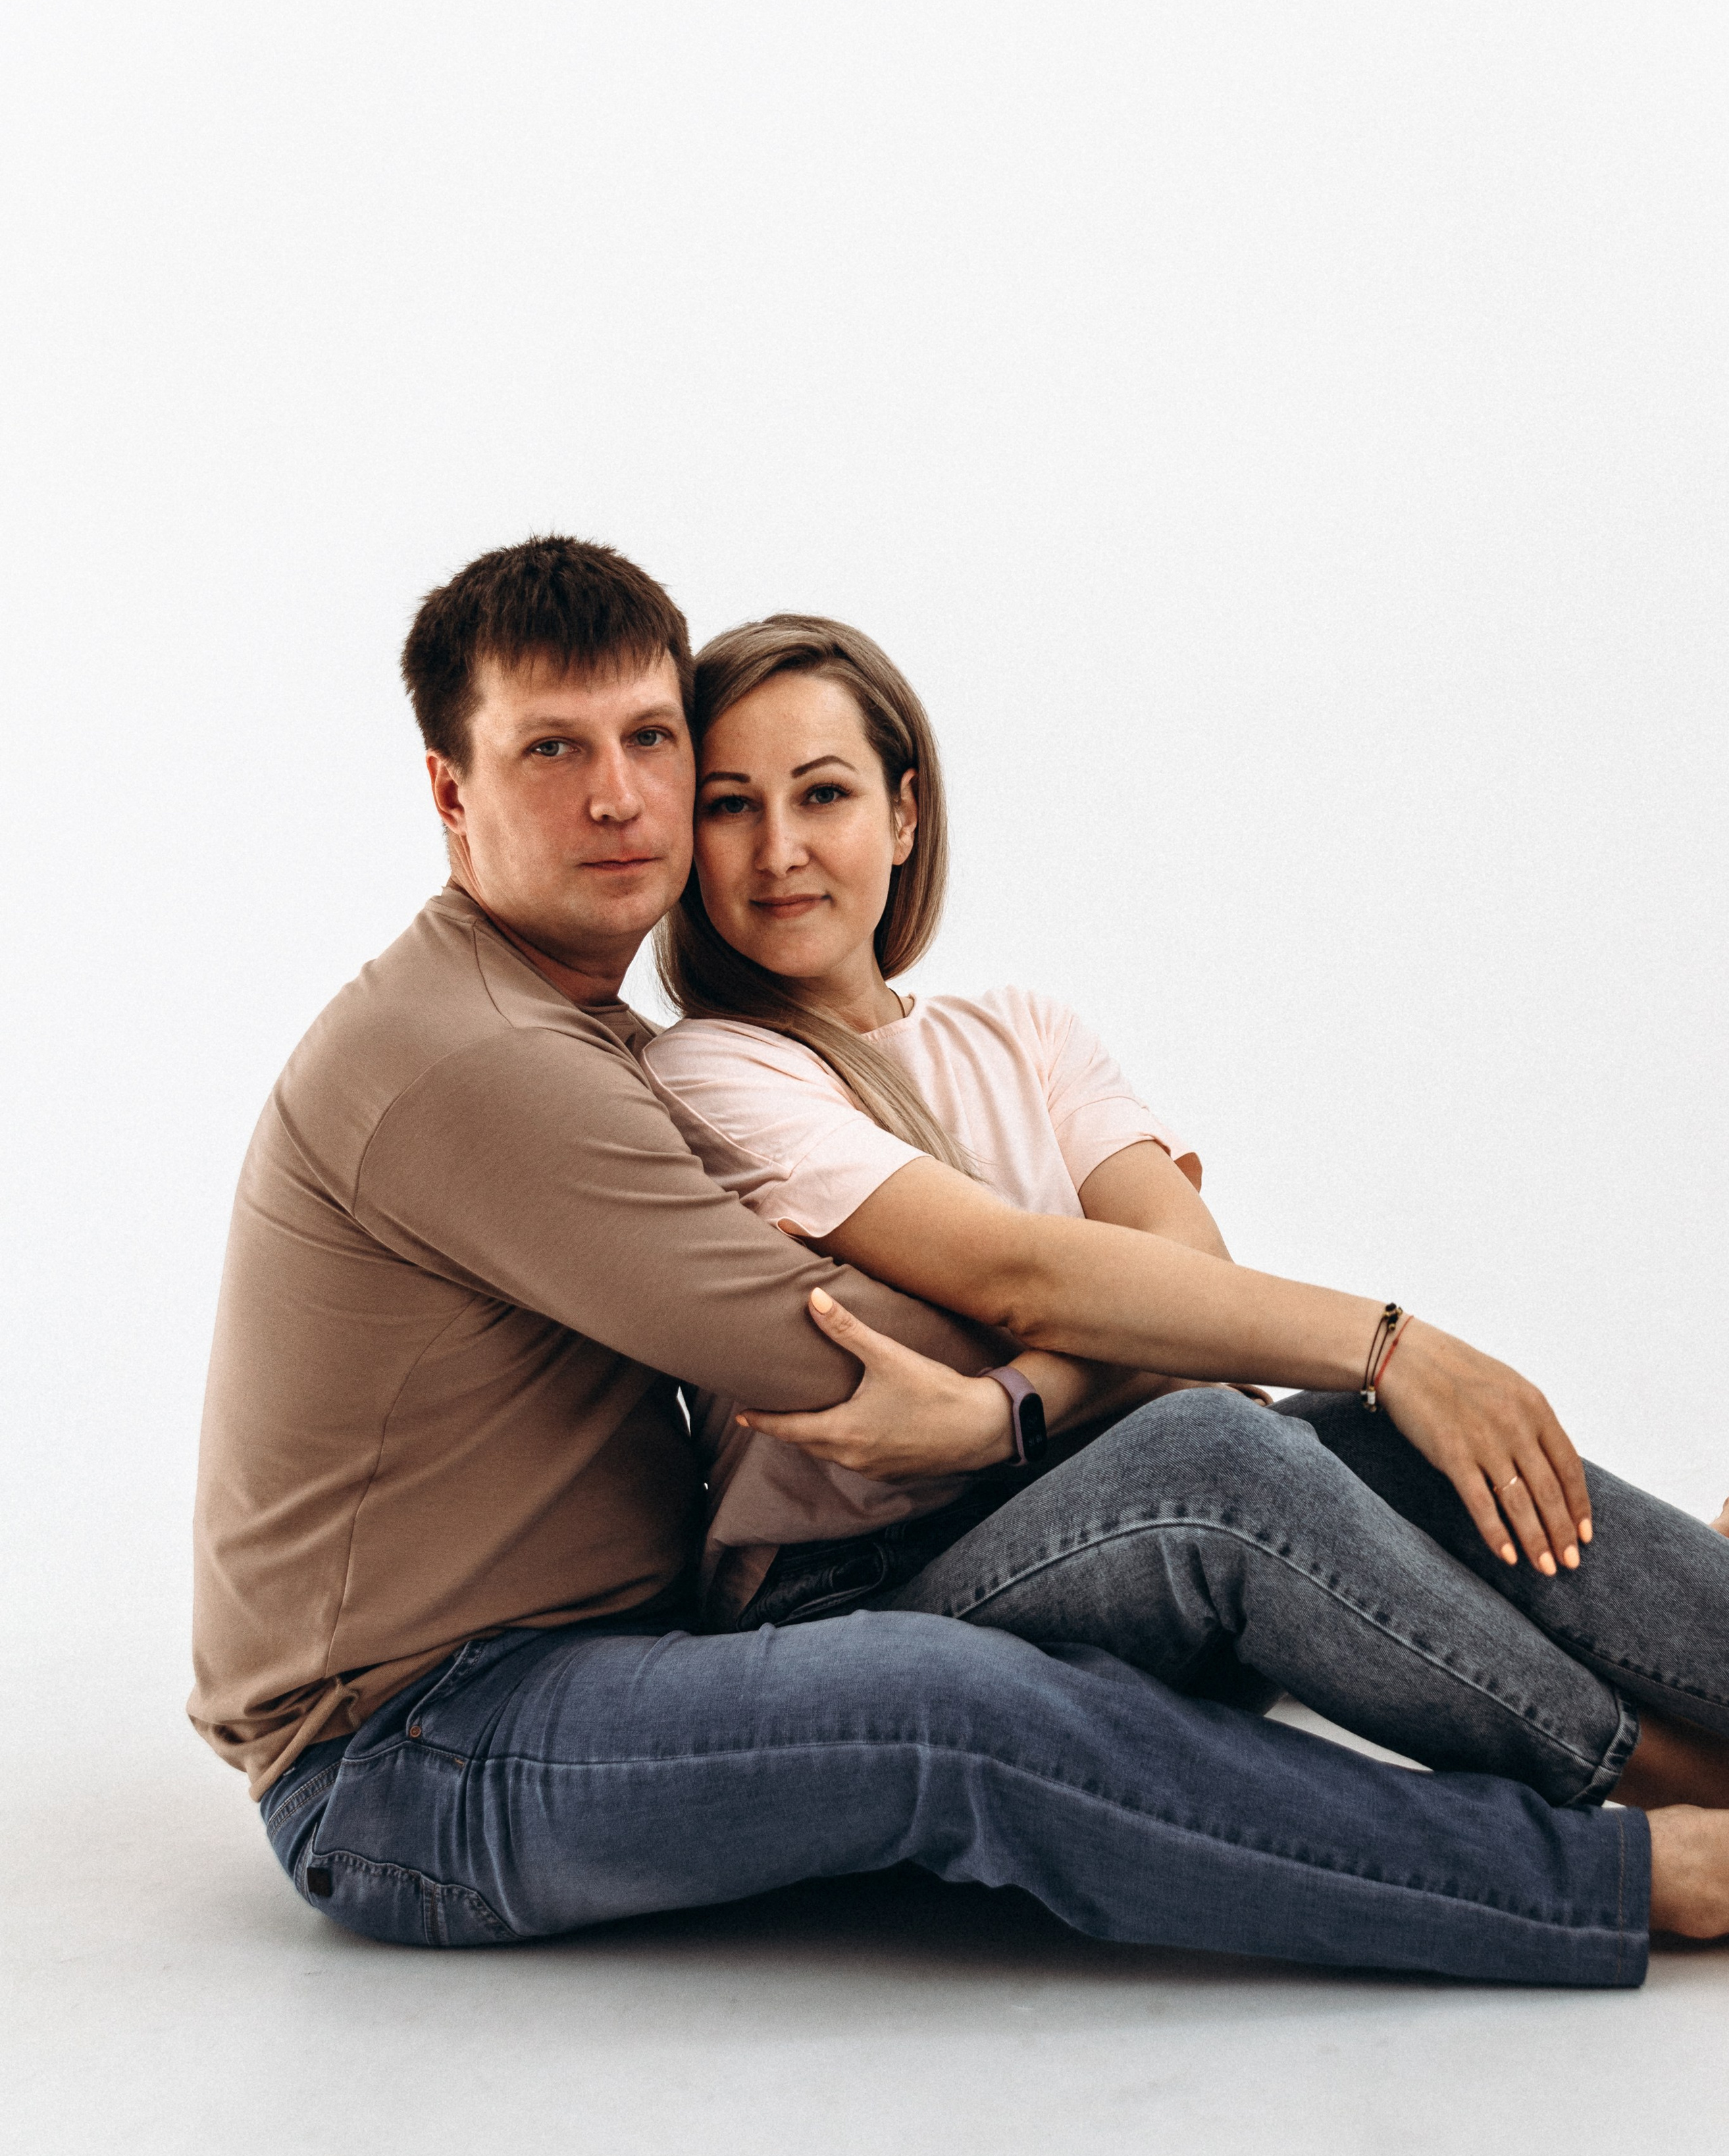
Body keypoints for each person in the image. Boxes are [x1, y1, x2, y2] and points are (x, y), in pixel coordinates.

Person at [189, 533, 1729, 1979]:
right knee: (975, 1689)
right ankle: (1622, 1858)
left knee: (1340, 1446)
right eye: (551, 751)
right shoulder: (488, 1059)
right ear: (450, 792)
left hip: (615, 1658)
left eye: (649, 739)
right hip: (413, 1756)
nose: (618, 799)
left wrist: (1059, 1378)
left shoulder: (576, 1029)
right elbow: (865, 1361)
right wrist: (1208, 1341)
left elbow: (1061, 1311)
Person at [642, 612, 1729, 1828]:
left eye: (823, 794)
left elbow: (1191, 1271)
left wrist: (1002, 1412)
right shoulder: (711, 1073)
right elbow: (1023, 1275)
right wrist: (1390, 1343)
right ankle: (1682, 1785)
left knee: (1369, 1440)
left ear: (903, 816)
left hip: (1125, 1524)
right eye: (730, 806)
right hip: (858, 1598)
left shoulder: (1026, 1032)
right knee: (1217, 1443)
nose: (780, 849)